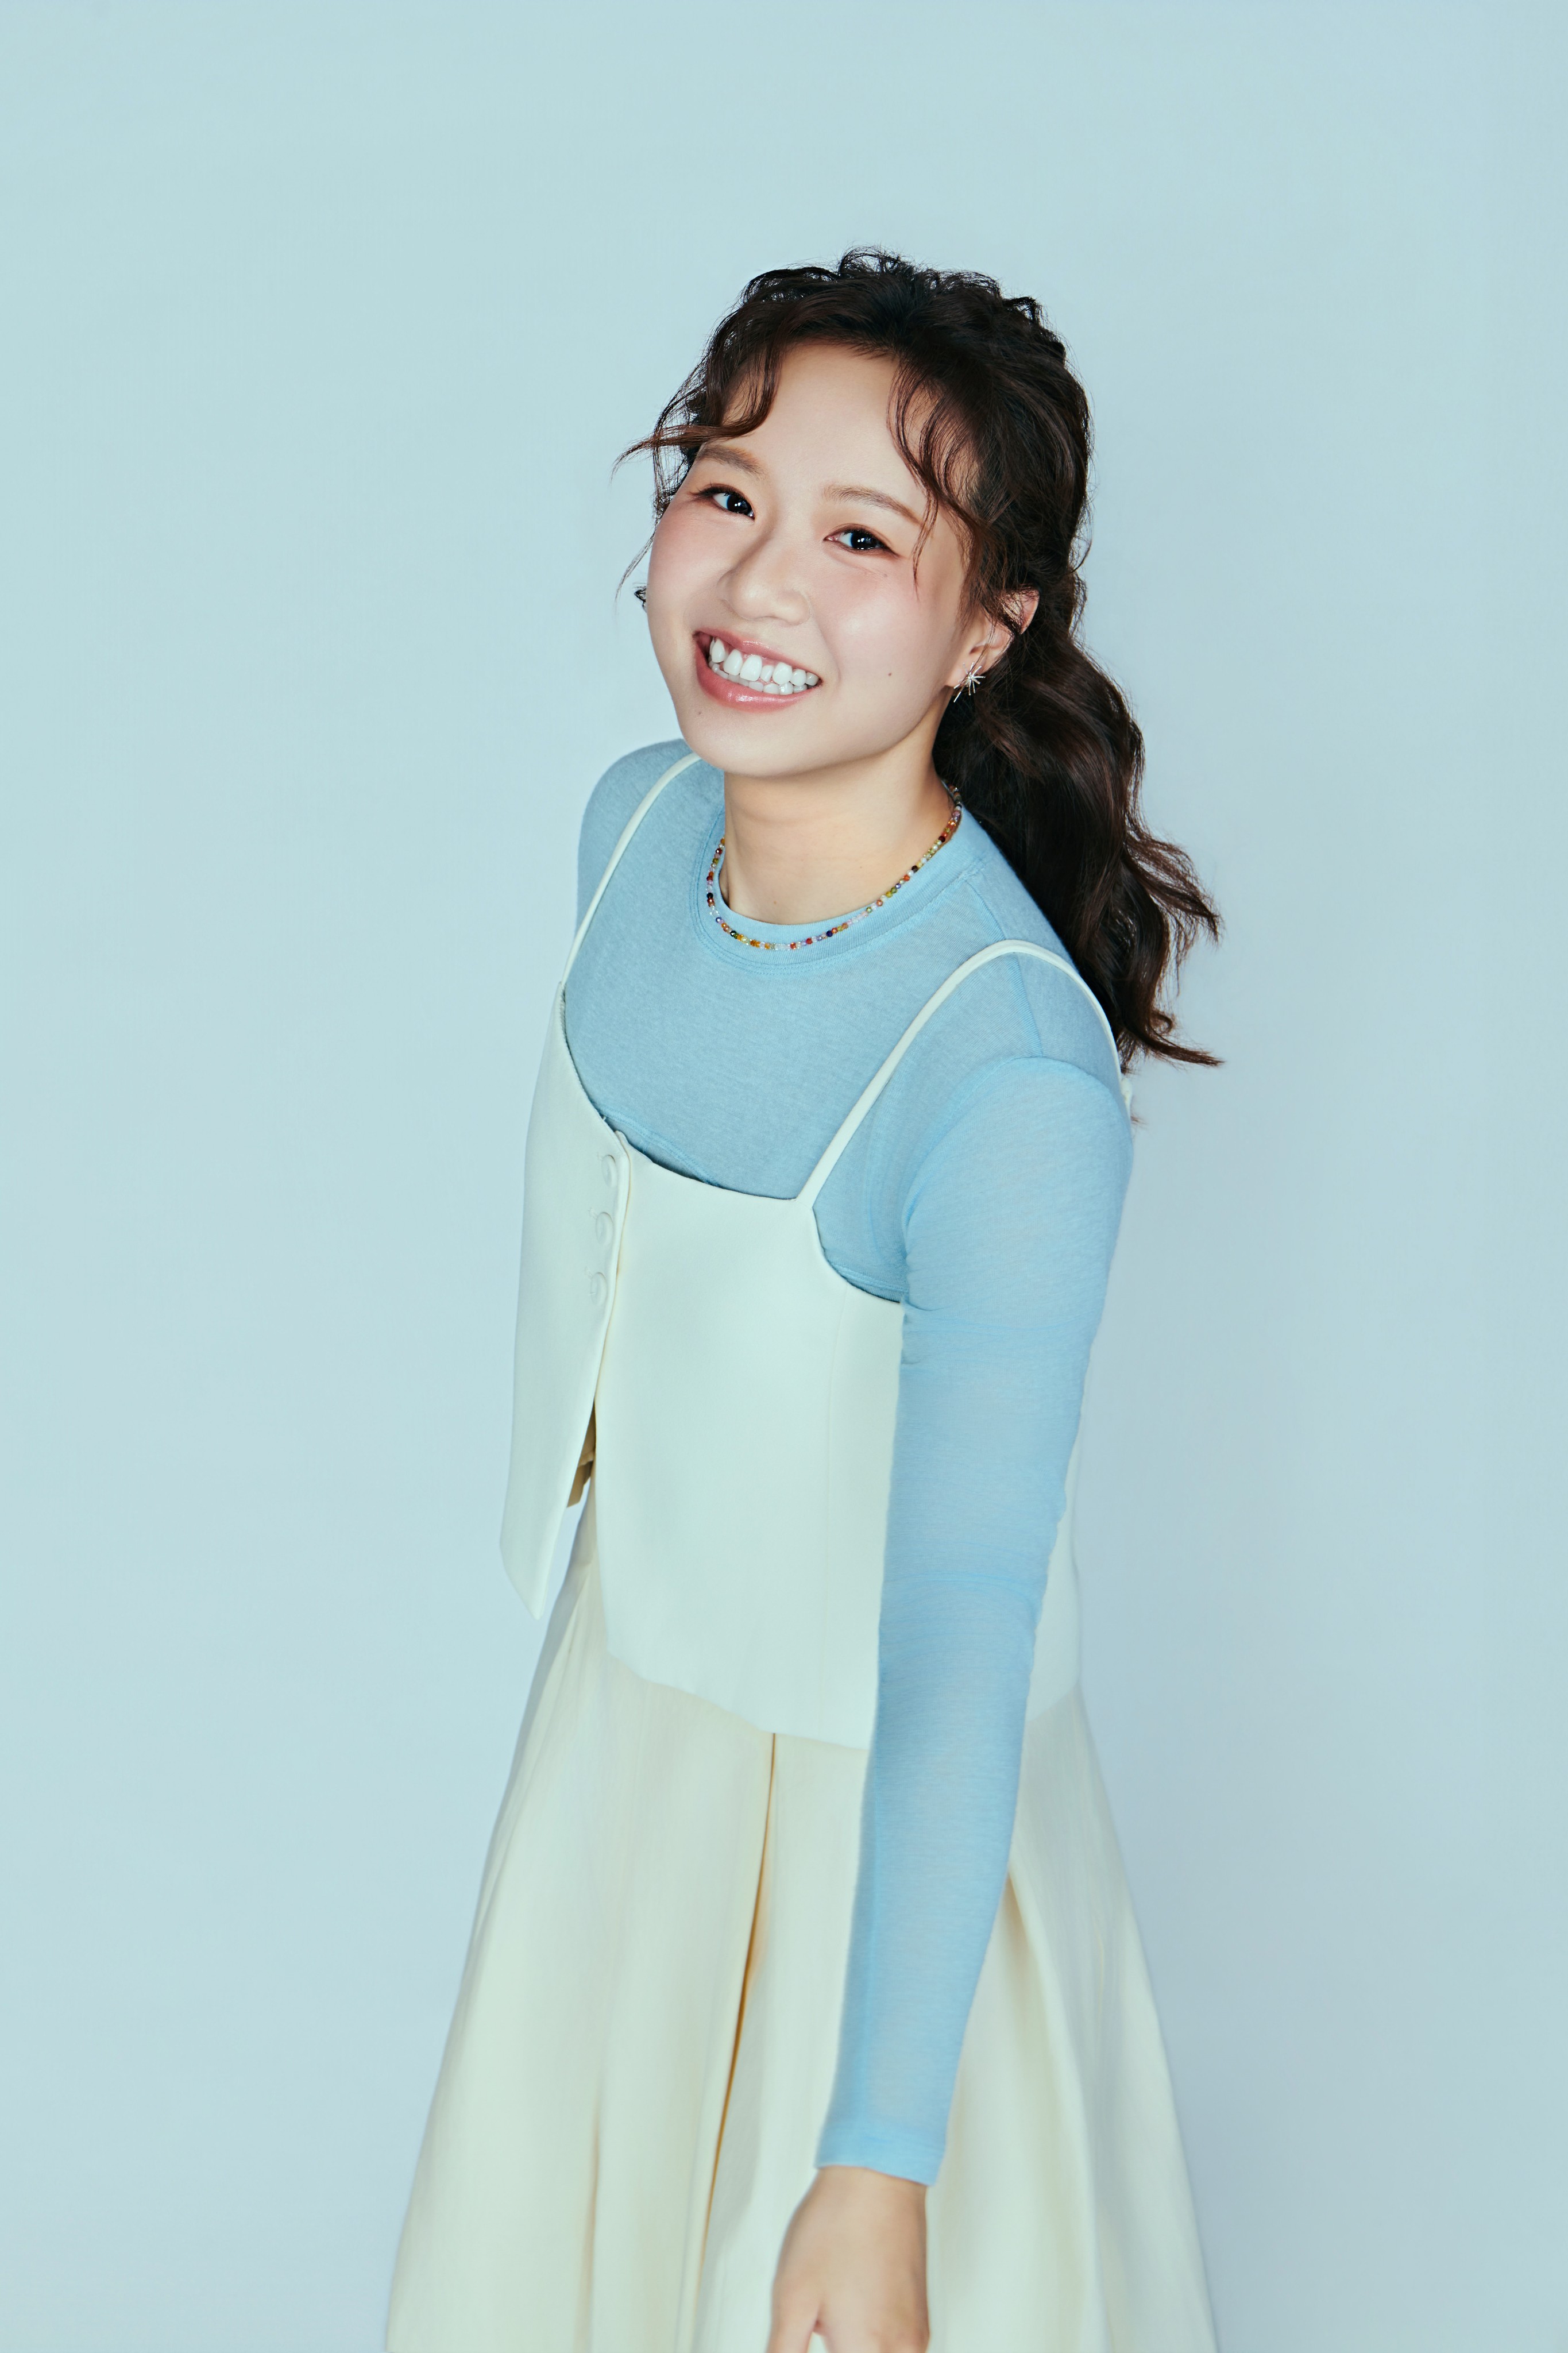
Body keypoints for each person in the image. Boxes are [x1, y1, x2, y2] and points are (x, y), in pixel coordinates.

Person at [387, 249, 1221, 2353]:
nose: (758, 579)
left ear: (987, 624)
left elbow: (962, 1639)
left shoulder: (1001, 1080)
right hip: (622, 1762)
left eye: (863, 537)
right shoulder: (632, 828)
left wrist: (877, 2165)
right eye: (727, 490)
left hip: (883, 1870)